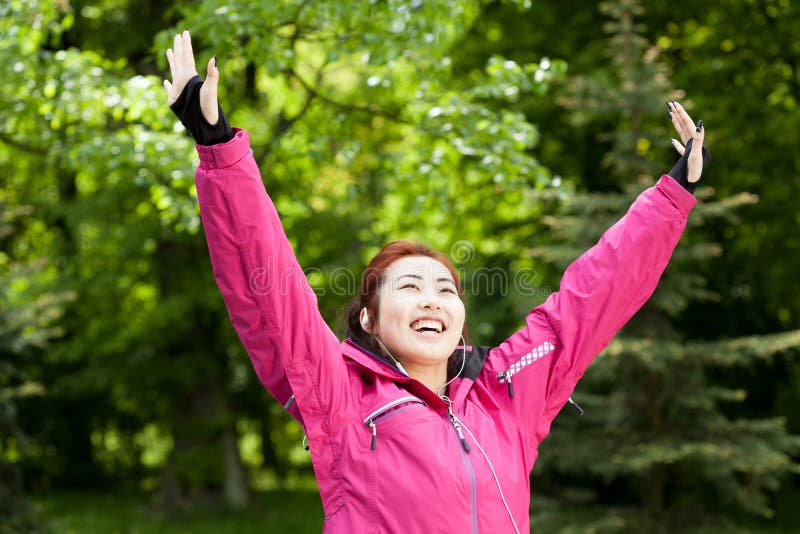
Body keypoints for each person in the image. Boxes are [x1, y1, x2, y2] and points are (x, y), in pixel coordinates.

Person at [164, 30, 708, 533]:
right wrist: (218, 148)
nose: (432, 301)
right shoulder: (342, 398)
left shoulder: (506, 392)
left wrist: (673, 195)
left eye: (445, 290)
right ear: (368, 318)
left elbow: (592, 296)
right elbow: (268, 288)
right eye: (409, 288)